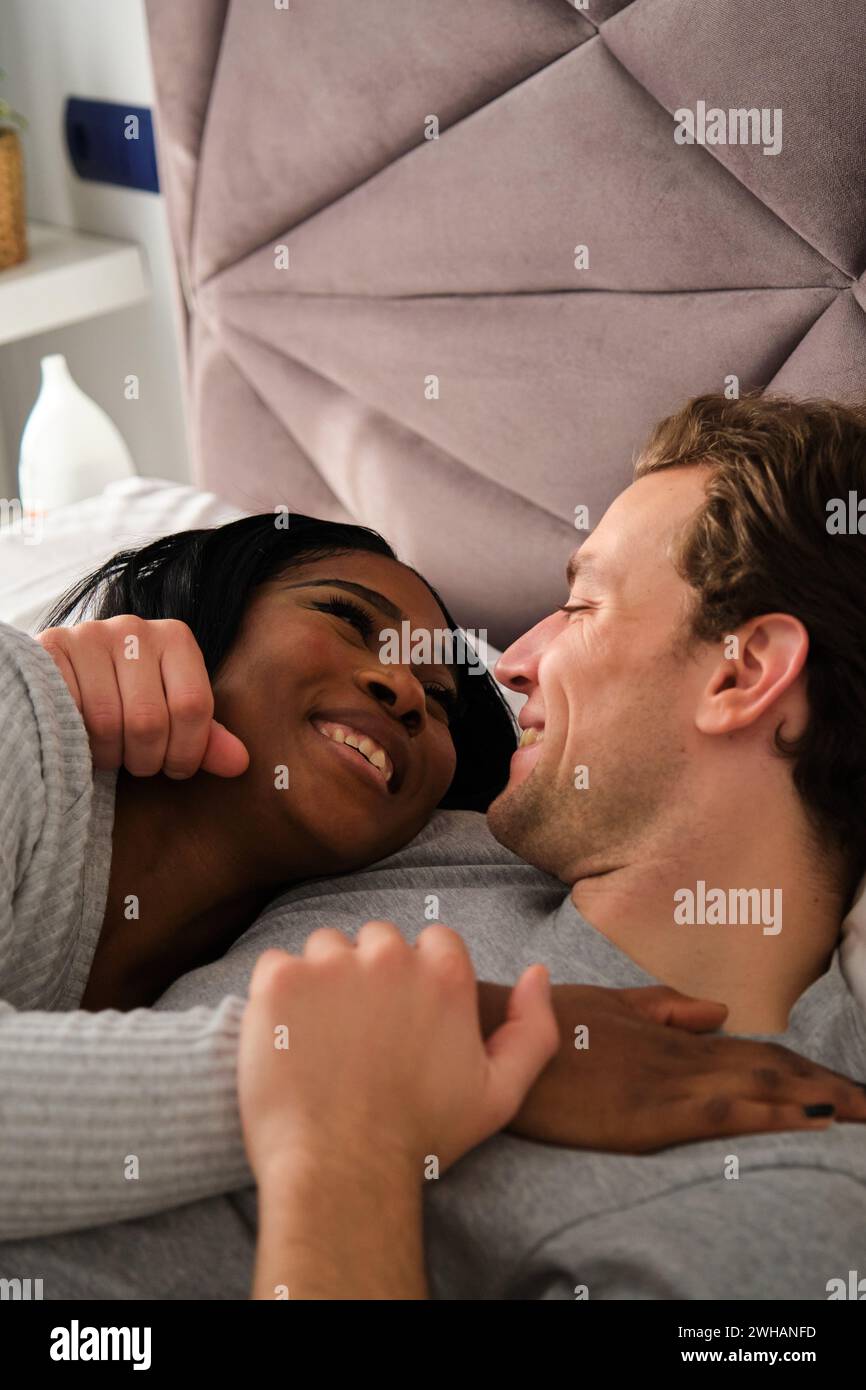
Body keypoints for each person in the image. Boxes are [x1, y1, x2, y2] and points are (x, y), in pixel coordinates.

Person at [2, 392, 865, 1299]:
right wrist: (72, 698)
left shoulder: (794, 1188)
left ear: (743, 671)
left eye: (580, 604)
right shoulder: (409, 838)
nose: (508, 662)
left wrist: (356, 1121)